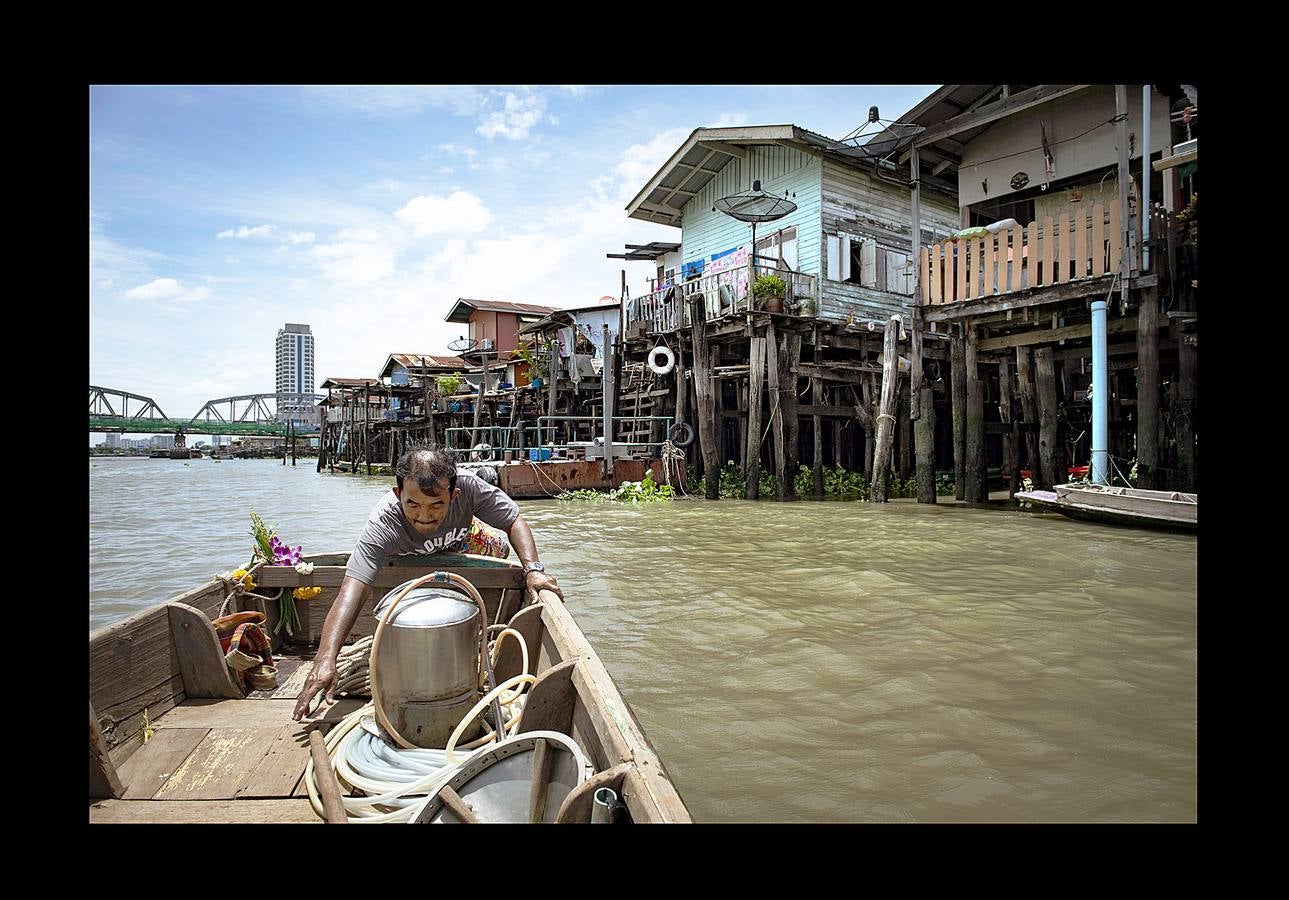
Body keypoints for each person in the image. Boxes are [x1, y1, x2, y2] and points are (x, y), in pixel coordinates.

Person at [292, 444, 562, 720]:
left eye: (436, 505)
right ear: (398, 495)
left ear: (454, 496)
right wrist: (325, 659)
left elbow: (513, 519)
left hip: (462, 545)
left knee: (500, 554)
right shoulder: (383, 521)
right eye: (413, 505)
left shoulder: (469, 488)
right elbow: (353, 589)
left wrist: (533, 570)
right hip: (408, 561)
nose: (424, 516)